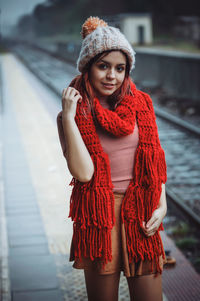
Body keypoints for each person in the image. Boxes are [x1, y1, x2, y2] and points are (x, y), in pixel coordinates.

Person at [56, 16, 167, 301]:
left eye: (120, 68)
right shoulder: (73, 115)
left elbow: (154, 161)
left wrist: (162, 204)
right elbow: (83, 174)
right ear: (88, 67)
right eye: (103, 66)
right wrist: (69, 117)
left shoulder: (142, 104)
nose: (111, 76)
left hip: (141, 211)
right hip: (98, 217)